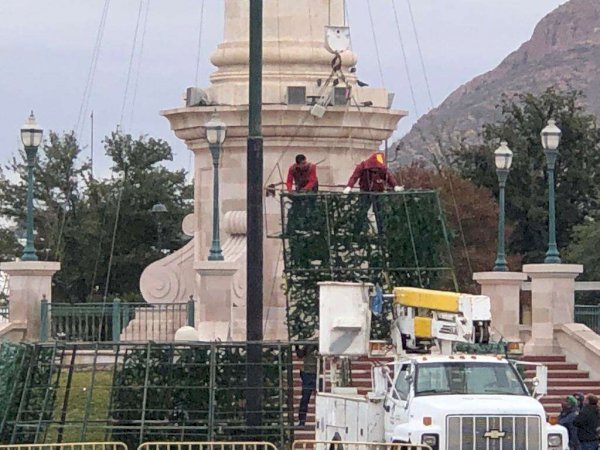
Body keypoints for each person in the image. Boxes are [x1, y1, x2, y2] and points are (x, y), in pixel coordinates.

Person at [343, 152, 403, 234]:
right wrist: (349, 186)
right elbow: (354, 177)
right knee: (362, 212)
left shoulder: (381, 169)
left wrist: (395, 186)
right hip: (365, 192)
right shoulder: (362, 166)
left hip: (378, 193)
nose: (376, 171)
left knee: (379, 213)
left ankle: (382, 233)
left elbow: (389, 177)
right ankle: (356, 232)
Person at [296, 344, 318, 427]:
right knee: (305, 399)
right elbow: (300, 355)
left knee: (321, 398)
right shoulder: (308, 345)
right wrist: (296, 346)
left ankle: (303, 420)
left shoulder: (321, 344)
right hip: (308, 374)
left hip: (317, 373)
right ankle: (302, 420)